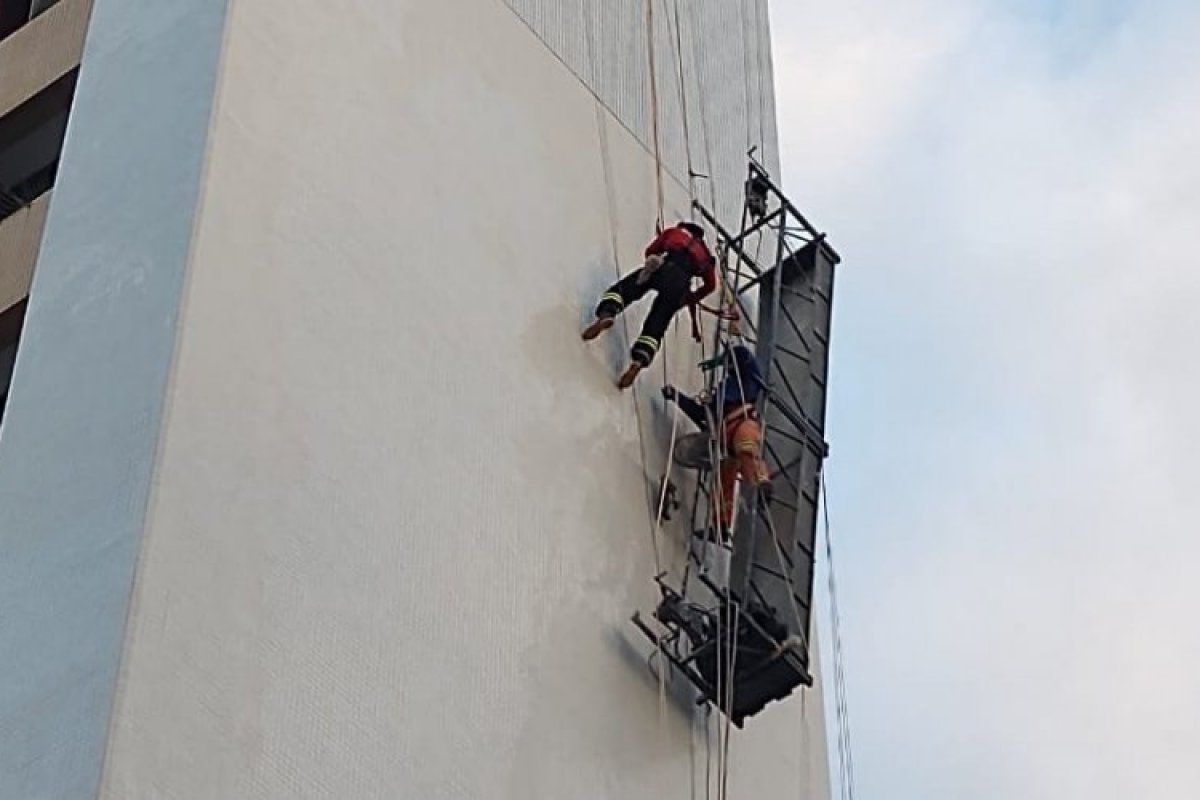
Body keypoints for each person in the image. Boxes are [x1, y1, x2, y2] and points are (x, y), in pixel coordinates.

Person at [581, 221, 716, 389]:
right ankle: (639, 359)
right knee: (657, 323)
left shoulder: (675, 233)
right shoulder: (705, 256)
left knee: (626, 289)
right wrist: (691, 298)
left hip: (662, 265)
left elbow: (650, 251)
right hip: (680, 285)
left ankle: (608, 313)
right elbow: (711, 285)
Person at [662, 345, 770, 540]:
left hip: (743, 423)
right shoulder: (719, 398)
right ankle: (720, 526)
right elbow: (701, 415)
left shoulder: (746, 382)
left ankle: (761, 483)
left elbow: (746, 359)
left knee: (747, 449)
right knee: (723, 483)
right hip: (725, 439)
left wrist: (730, 355)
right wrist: (677, 397)